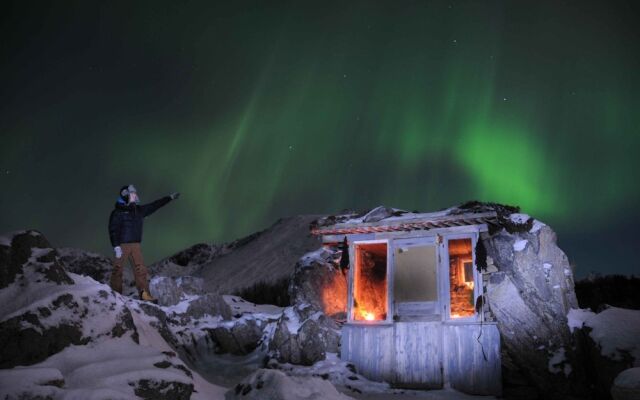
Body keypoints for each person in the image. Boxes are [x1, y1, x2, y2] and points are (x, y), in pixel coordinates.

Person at [108, 184, 180, 301]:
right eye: (132, 194)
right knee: (118, 269)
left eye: (134, 194)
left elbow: (155, 205)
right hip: (122, 246)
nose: (134, 196)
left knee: (141, 270)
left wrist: (169, 198)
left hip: (136, 245)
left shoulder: (139, 211)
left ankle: (144, 294)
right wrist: (116, 246)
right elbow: (113, 229)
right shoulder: (117, 213)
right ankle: (115, 295)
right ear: (126, 195)